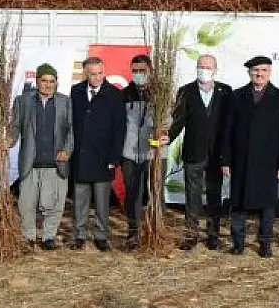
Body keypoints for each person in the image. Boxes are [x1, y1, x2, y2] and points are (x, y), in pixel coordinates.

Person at [220, 56, 279, 257]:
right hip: (241, 160)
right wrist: (225, 160)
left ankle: (265, 243)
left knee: (267, 204)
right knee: (238, 202)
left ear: (269, 72)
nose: (259, 74)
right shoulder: (237, 96)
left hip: (268, 162)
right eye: (255, 71)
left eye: (263, 71)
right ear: (249, 72)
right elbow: (227, 130)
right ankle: (238, 243)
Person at [169, 54, 233, 250]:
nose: (203, 70)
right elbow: (178, 122)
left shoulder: (226, 92)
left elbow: (229, 125)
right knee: (192, 196)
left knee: (215, 196)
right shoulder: (185, 91)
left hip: (216, 154)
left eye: (207, 67)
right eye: (200, 66)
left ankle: (213, 235)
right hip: (193, 152)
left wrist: (228, 155)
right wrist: (167, 137)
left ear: (215, 70)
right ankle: (191, 235)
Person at [11, 64, 73, 249]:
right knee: (26, 203)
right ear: (37, 81)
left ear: (56, 83)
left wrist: (67, 150)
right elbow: (15, 126)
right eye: (44, 80)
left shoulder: (65, 102)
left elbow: (71, 129)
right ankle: (29, 236)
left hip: (56, 162)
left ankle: (48, 237)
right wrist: (9, 140)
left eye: (51, 81)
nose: (47, 85)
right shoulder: (23, 101)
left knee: (55, 203)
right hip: (31, 161)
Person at [70, 56, 126, 252]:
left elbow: (119, 130)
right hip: (81, 156)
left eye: (100, 73)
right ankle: (79, 234)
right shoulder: (76, 92)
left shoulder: (114, 95)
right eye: (92, 74)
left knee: (102, 201)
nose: (97, 78)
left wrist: (114, 158)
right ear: (86, 73)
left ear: (105, 71)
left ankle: (102, 235)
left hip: (103, 157)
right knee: (80, 199)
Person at [120, 55, 170, 250]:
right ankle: (133, 233)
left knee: (156, 193)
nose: (139, 74)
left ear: (151, 70)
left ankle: (156, 229)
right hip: (130, 153)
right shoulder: (125, 94)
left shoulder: (161, 94)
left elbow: (170, 121)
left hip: (155, 153)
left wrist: (167, 134)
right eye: (135, 71)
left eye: (142, 71)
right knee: (132, 194)